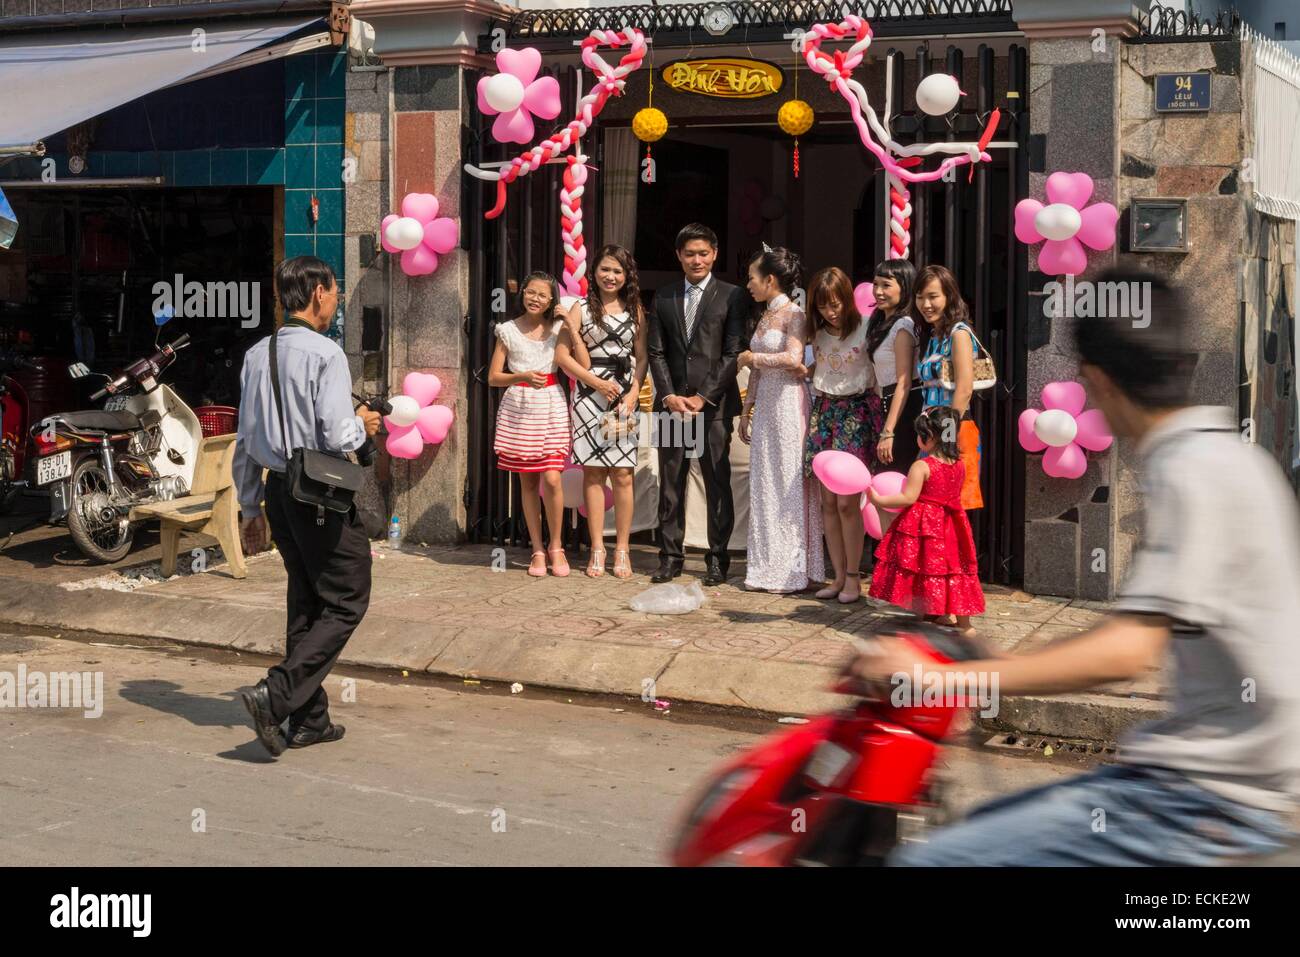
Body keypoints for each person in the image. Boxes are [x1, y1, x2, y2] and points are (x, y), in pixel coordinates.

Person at [852, 269, 1300, 866]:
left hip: (1204, 801)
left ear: (1096, 380)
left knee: (935, 859)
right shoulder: (1234, 457)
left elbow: (1127, 652)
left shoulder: (1194, 470)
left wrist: (949, 681)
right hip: (1221, 789)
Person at [232, 256, 382, 756]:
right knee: (347, 596)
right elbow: (339, 433)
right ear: (318, 292)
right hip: (317, 490)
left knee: (306, 600)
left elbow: (246, 439)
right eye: (335, 290)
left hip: (278, 491)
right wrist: (366, 426)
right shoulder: (326, 354)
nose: (337, 298)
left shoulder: (256, 354)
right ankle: (275, 696)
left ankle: (310, 718)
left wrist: (251, 506)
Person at [646, 223, 749, 586]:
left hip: (713, 407)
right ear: (679, 256)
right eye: (689, 253)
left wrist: (703, 396)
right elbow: (655, 351)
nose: (697, 259)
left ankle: (717, 559)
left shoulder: (732, 296)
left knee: (717, 483)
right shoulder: (664, 296)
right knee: (671, 484)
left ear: (715, 254)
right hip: (672, 405)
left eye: (703, 253)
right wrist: (669, 395)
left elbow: (733, 352)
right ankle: (670, 557)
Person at [556, 244, 647, 579]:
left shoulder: (635, 308)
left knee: (622, 473)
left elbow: (642, 357)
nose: (611, 276)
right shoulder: (579, 308)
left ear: (627, 277)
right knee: (593, 473)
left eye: (618, 271)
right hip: (590, 397)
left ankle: (622, 548)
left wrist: (633, 393)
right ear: (594, 272)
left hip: (620, 400)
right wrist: (594, 382)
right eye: (605, 270)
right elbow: (563, 356)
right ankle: (597, 547)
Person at [737, 246, 824, 594]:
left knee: (788, 484)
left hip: (789, 402)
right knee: (765, 483)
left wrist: (750, 356)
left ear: (770, 280)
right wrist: (747, 409)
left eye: (752, 278)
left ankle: (794, 569)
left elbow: (791, 358)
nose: (748, 285)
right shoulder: (764, 316)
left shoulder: (795, 314)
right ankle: (767, 565)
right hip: (768, 405)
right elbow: (758, 368)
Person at [867, 406, 984, 636]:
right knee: (954, 570)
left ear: (929, 437)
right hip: (952, 524)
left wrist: (878, 500)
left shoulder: (922, 466)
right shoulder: (959, 463)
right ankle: (961, 623)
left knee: (924, 568)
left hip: (926, 525)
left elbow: (908, 497)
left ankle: (927, 614)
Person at [488, 271, 575, 577]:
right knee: (527, 482)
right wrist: (521, 376)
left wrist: (571, 324)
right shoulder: (507, 330)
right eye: (530, 292)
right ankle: (537, 549)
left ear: (552, 299)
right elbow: (493, 377)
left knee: (552, 478)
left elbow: (581, 361)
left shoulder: (558, 328)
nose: (535, 299)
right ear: (522, 293)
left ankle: (556, 545)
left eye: (542, 295)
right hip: (520, 407)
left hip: (550, 404)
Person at [802, 266, 875, 603]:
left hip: (855, 412)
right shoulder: (815, 334)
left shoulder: (866, 328)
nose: (830, 312)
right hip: (824, 412)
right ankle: (836, 574)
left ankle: (853, 577)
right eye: (822, 306)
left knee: (848, 502)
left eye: (835, 304)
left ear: (847, 300)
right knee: (827, 501)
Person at [914, 265, 983, 511]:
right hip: (931, 433)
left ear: (949, 296)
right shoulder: (932, 337)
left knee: (951, 513)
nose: (926, 304)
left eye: (933, 296)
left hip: (953, 432)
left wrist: (947, 441)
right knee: (930, 511)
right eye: (920, 297)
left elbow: (964, 389)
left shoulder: (959, 334)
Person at [865, 258, 921, 476]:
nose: (878, 291)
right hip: (888, 403)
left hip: (904, 408)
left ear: (904, 287)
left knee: (892, 477)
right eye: (876, 284)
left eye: (886, 285)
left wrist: (888, 432)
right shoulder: (882, 323)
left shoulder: (903, 326)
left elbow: (904, 382)